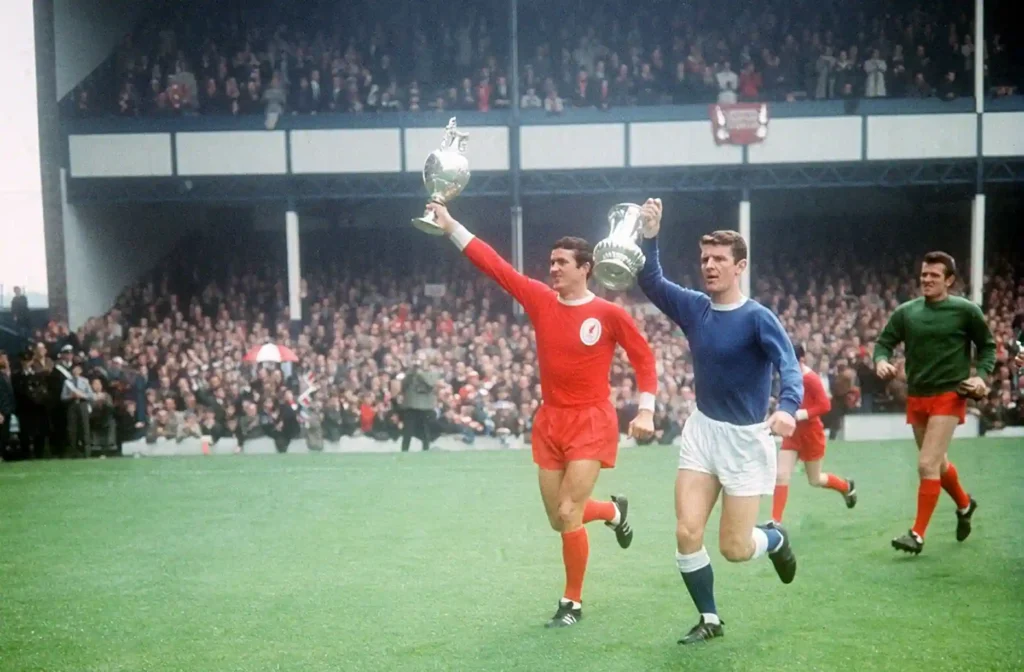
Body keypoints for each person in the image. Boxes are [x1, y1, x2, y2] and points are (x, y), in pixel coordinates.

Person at [425, 202, 657, 629]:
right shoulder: (539, 299)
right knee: (558, 518)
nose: (552, 269)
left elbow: (643, 359)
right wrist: (452, 225)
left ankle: (572, 603)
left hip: (591, 419)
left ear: (586, 268)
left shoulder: (609, 314)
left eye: (561, 263)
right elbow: (494, 266)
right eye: (551, 262)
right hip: (551, 421)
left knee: (569, 510)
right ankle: (612, 513)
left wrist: (646, 409)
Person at [635, 198, 801, 645]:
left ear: (739, 266)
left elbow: (789, 367)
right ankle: (709, 619)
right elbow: (650, 280)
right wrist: (650, 236)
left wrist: (786, 407)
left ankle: (774, 540)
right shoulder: (694, 308)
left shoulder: (757, 318)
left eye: (719, 260)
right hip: (703, 433)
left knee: (735, 548)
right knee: (687, 531)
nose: (709, 266)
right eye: (704, 258)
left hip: (746, 442)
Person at [873, 251, 996, 555]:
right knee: (938, 464)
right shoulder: (907, 312)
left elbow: (988, 347)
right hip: (917, 395)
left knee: (926, 463)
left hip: (950, 395)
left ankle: (917, 534)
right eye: (924, 275)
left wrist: (981, 377)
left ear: (950, 280)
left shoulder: (966, 311)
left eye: (934, 276)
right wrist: (881, 361)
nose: (927, 280)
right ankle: (965, 506)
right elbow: (884, 343)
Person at [771, 343, 857, 524]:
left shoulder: (811, 379)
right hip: (793, 433)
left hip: (811, 434)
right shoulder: (787, 375)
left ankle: (845, 486)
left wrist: (801, 414)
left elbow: (825, 405)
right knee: (781, 475)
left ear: (801, 360)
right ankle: (776, 523)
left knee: (815, 480)